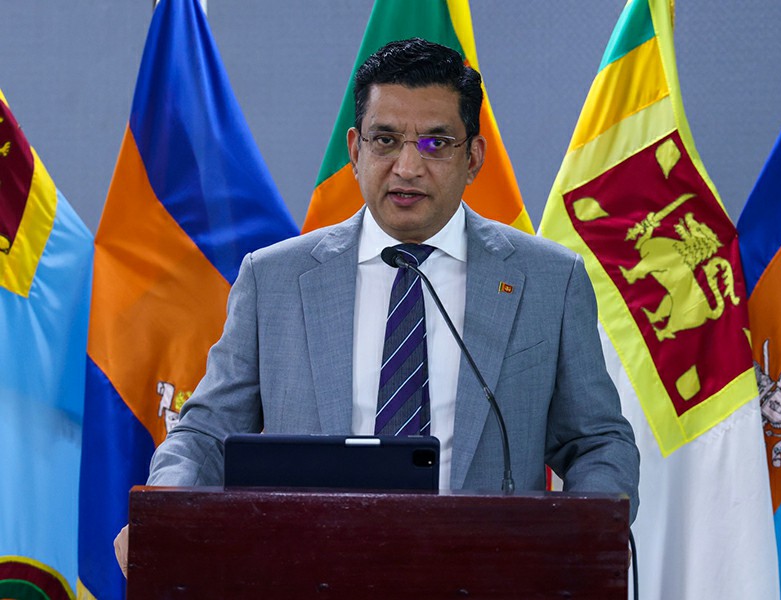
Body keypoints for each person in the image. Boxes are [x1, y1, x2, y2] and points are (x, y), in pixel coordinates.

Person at [115, 37, 639, 574]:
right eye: (385, 140)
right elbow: (204, 433)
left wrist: (587, 533)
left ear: (473, 157)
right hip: (314, 573)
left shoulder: (548, 280)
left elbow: (597, 442)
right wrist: (166, 510)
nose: (408, 167)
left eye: (436, 143)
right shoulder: (274, 279)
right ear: (355, 149)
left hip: (487, 575)